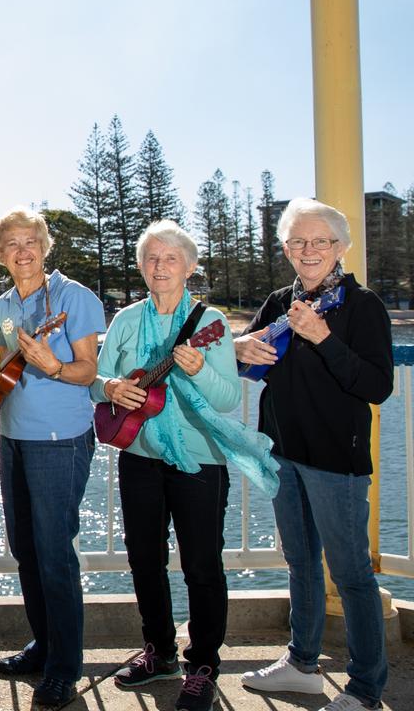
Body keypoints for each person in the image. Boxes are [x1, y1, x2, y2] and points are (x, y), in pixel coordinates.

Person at [92, 220, 277, 711]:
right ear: (140, 266)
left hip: (199, 463)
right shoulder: (127, 320)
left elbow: (225, 397)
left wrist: (197, 372)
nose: (160, 266)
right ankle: (159, 652)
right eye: (151, 257)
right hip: (139, 457)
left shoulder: (209, 322)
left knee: (201, 565)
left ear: (190, 267)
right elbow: (98, 377)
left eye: (171, 258)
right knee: (144, 560)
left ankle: (203, 665)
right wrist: (110, 388)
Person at [236, 199, 392, 711]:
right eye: (298, 242)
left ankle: (366, 687)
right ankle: (302, 665)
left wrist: (323, 338)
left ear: (341, 248)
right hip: (282, 455)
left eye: (320, 241)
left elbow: (377, 385)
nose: (309, 251)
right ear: (285, 249)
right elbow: (252, 354)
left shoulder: (362, 305)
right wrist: (241, 349)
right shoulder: (280, 301)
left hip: (336, 462)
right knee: (300, 563)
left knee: (351, 575)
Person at [0, 208, 103, 707]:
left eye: (30, 240)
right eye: (11, 243)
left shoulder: (76, 297)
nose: (22, 250)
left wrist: (54, 366)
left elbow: (87, 371)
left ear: (45, 245)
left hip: (61, 439)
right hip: (13, 437)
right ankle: (44, 644)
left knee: (55, 554)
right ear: (1, 254)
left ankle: (65, 666)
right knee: (26, 550)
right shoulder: (3, 304)